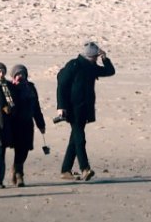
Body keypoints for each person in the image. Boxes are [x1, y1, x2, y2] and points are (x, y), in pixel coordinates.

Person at [55, 41, 115, 181]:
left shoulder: (91, 67)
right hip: (72, 109)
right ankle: (85, 169)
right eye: (95, 56)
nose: (96, 59)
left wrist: (105, 58)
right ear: (89, 56)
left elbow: (110, 71)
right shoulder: (74, 65)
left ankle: (65, 170)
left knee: (75, 139)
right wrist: (61, 107)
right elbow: (62, 86)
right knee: (80, 139)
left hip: (84, 109)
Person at [6, 64, 47, 187]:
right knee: (18, 148)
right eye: (17, 74)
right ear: (13, 76)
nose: (20, 76)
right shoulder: (9, 88)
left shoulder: (31, 88)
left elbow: (36, 107)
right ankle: (19, 175)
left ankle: (16, 168)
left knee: (24, 150)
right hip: (14, 123)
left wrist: (41, 124)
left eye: (22, 74)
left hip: (27, 123)